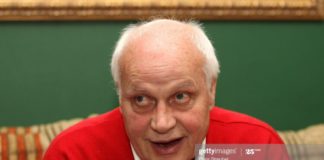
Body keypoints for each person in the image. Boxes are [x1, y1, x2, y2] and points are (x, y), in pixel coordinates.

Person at [43, 19, 287, 160]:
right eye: (141, 99)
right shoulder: (74, 153)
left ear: (211, 90)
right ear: (120, 96)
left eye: (180, 97)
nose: (162, 124)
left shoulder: (257, 147)